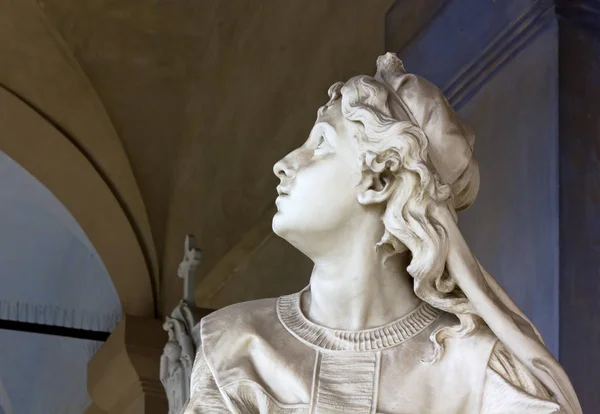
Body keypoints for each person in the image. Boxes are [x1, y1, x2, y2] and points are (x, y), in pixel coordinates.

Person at [184, 53, 581, 414]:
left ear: (381, 180)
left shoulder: (479, 367)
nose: (284, 164)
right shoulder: (236, 346)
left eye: (320, 144)